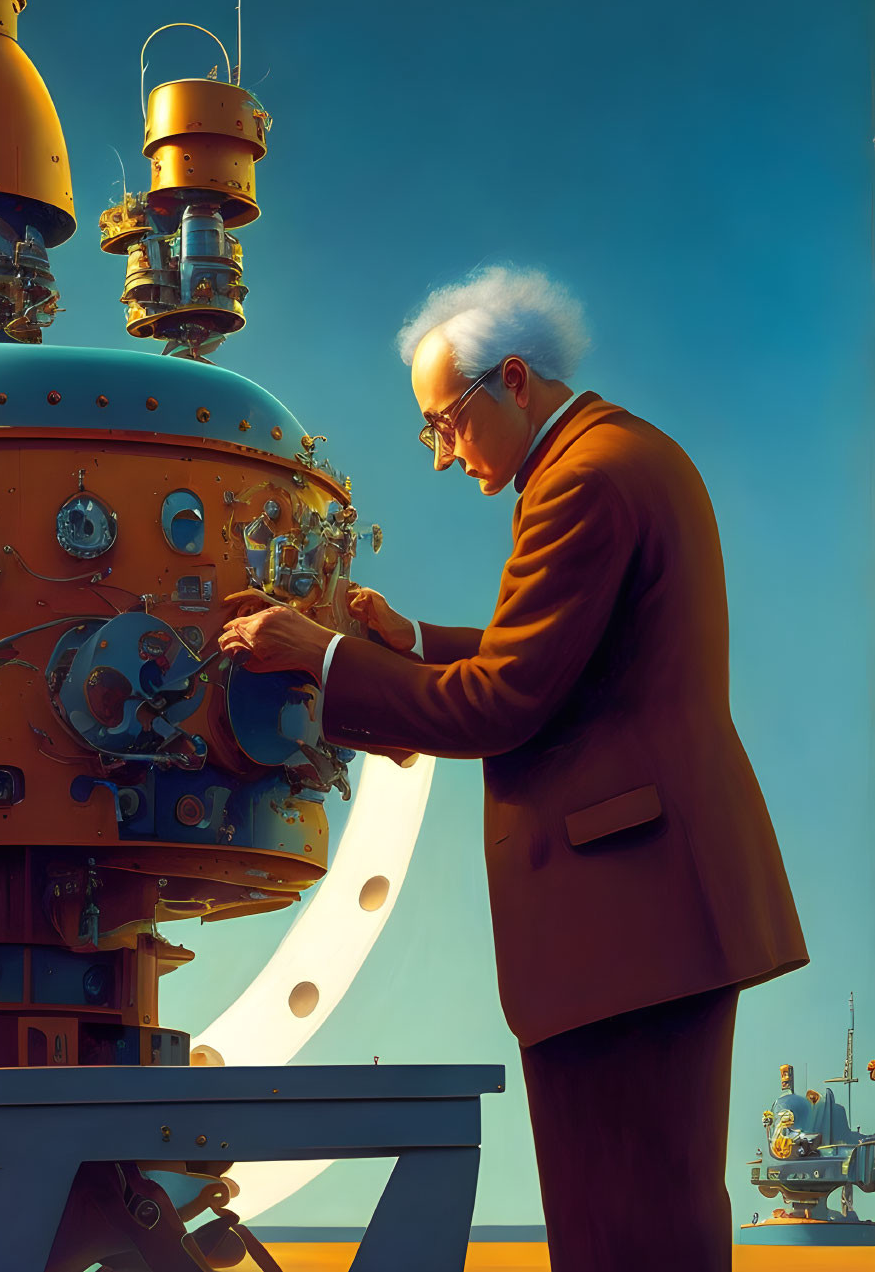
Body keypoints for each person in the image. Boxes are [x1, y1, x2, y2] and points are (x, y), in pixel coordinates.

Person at [217, 265, 807, 1272]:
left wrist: (315, 657)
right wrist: (409, 638)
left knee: (623, 1226)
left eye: (445, 424)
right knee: (645, 1213)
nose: (442, 457)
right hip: (653, 913)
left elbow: (504, 703)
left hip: (626, 921)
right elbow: (566, 658)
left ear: (515, 381)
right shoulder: (622, 454)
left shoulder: (580, 484)